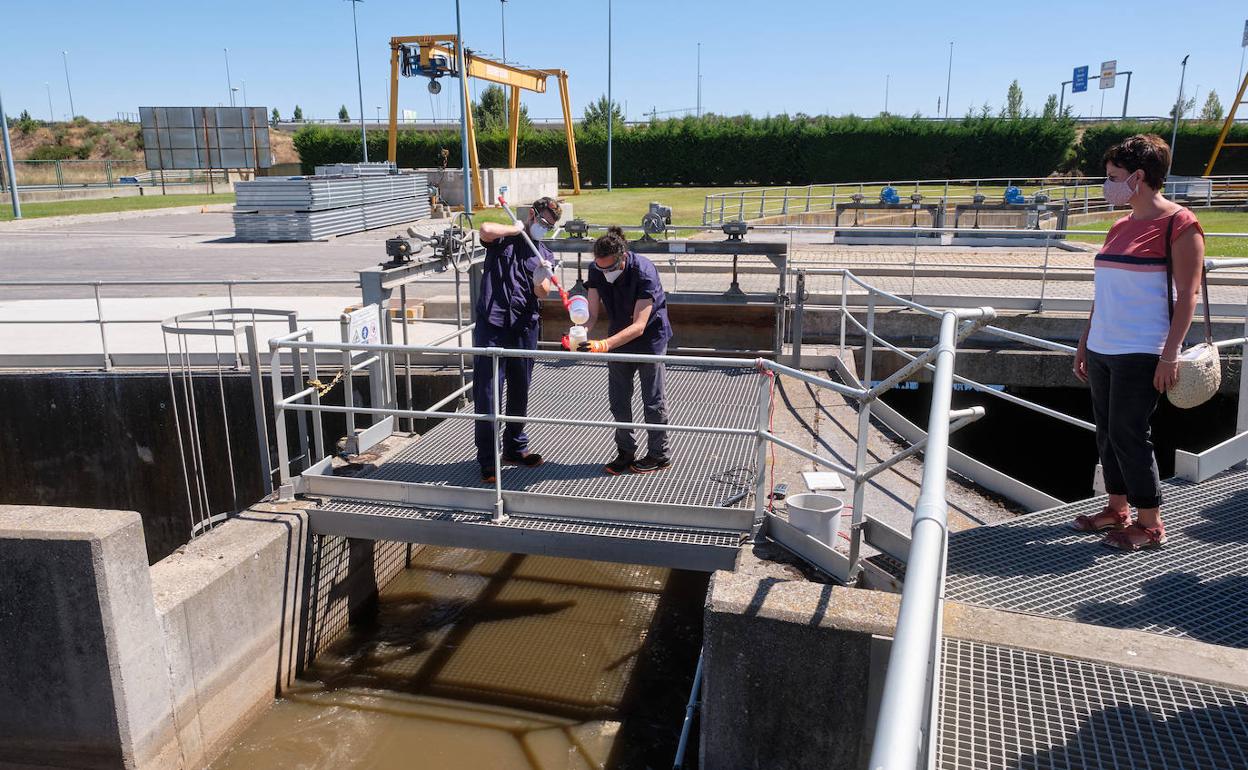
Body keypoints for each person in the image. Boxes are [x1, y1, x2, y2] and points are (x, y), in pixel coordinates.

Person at [1072, 134, 1205, 551]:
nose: (1106, 185)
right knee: (1107, 433)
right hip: (1103, 347)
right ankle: (1117, 509)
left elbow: (1189, 296)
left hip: (1142, 350)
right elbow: (1104, 292)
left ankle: (1150, 524)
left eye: (1113, 177)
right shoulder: (1119, 225)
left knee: (1130, 433)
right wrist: (1084, 342)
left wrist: (1170, 354)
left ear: (1139, 177)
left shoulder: (1180, 225)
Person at [473, 197, 562, 482]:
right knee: (488, 394)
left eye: (550, 225)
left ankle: (515, 447)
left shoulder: (544, 252)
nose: (545, 228)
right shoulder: (504, 241)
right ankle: (488, 460)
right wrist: (515, 229)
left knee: (520, 389)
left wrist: (540, 278)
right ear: (532, 216)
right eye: (543, 221)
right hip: (493, 326)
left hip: (524, 327)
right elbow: (484, 229)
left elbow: (543, 292)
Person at [580, 226, 674, 475]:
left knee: (653, 400)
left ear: (622, 258)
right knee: (618, 399)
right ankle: (626, 452)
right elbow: (591, 315)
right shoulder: (596, 270)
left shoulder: (644, 271)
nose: (604, 273)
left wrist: (605, 344)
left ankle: (659, 454)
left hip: (649, 339)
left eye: (609, 268)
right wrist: (579, 332)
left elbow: (640, 325)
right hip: (617, 336)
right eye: (600, 268)